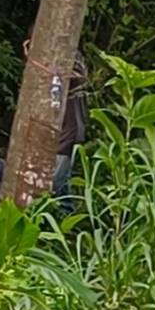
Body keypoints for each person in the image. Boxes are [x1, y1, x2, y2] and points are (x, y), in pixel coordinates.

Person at [23, 37, 89, 208]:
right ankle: (66, 218)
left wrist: (54, 71)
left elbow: (76, 76)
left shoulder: (71, 59)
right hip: (58, 135)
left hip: (67, 134)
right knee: (61, 185)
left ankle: (64, 219)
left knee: (55, 185)